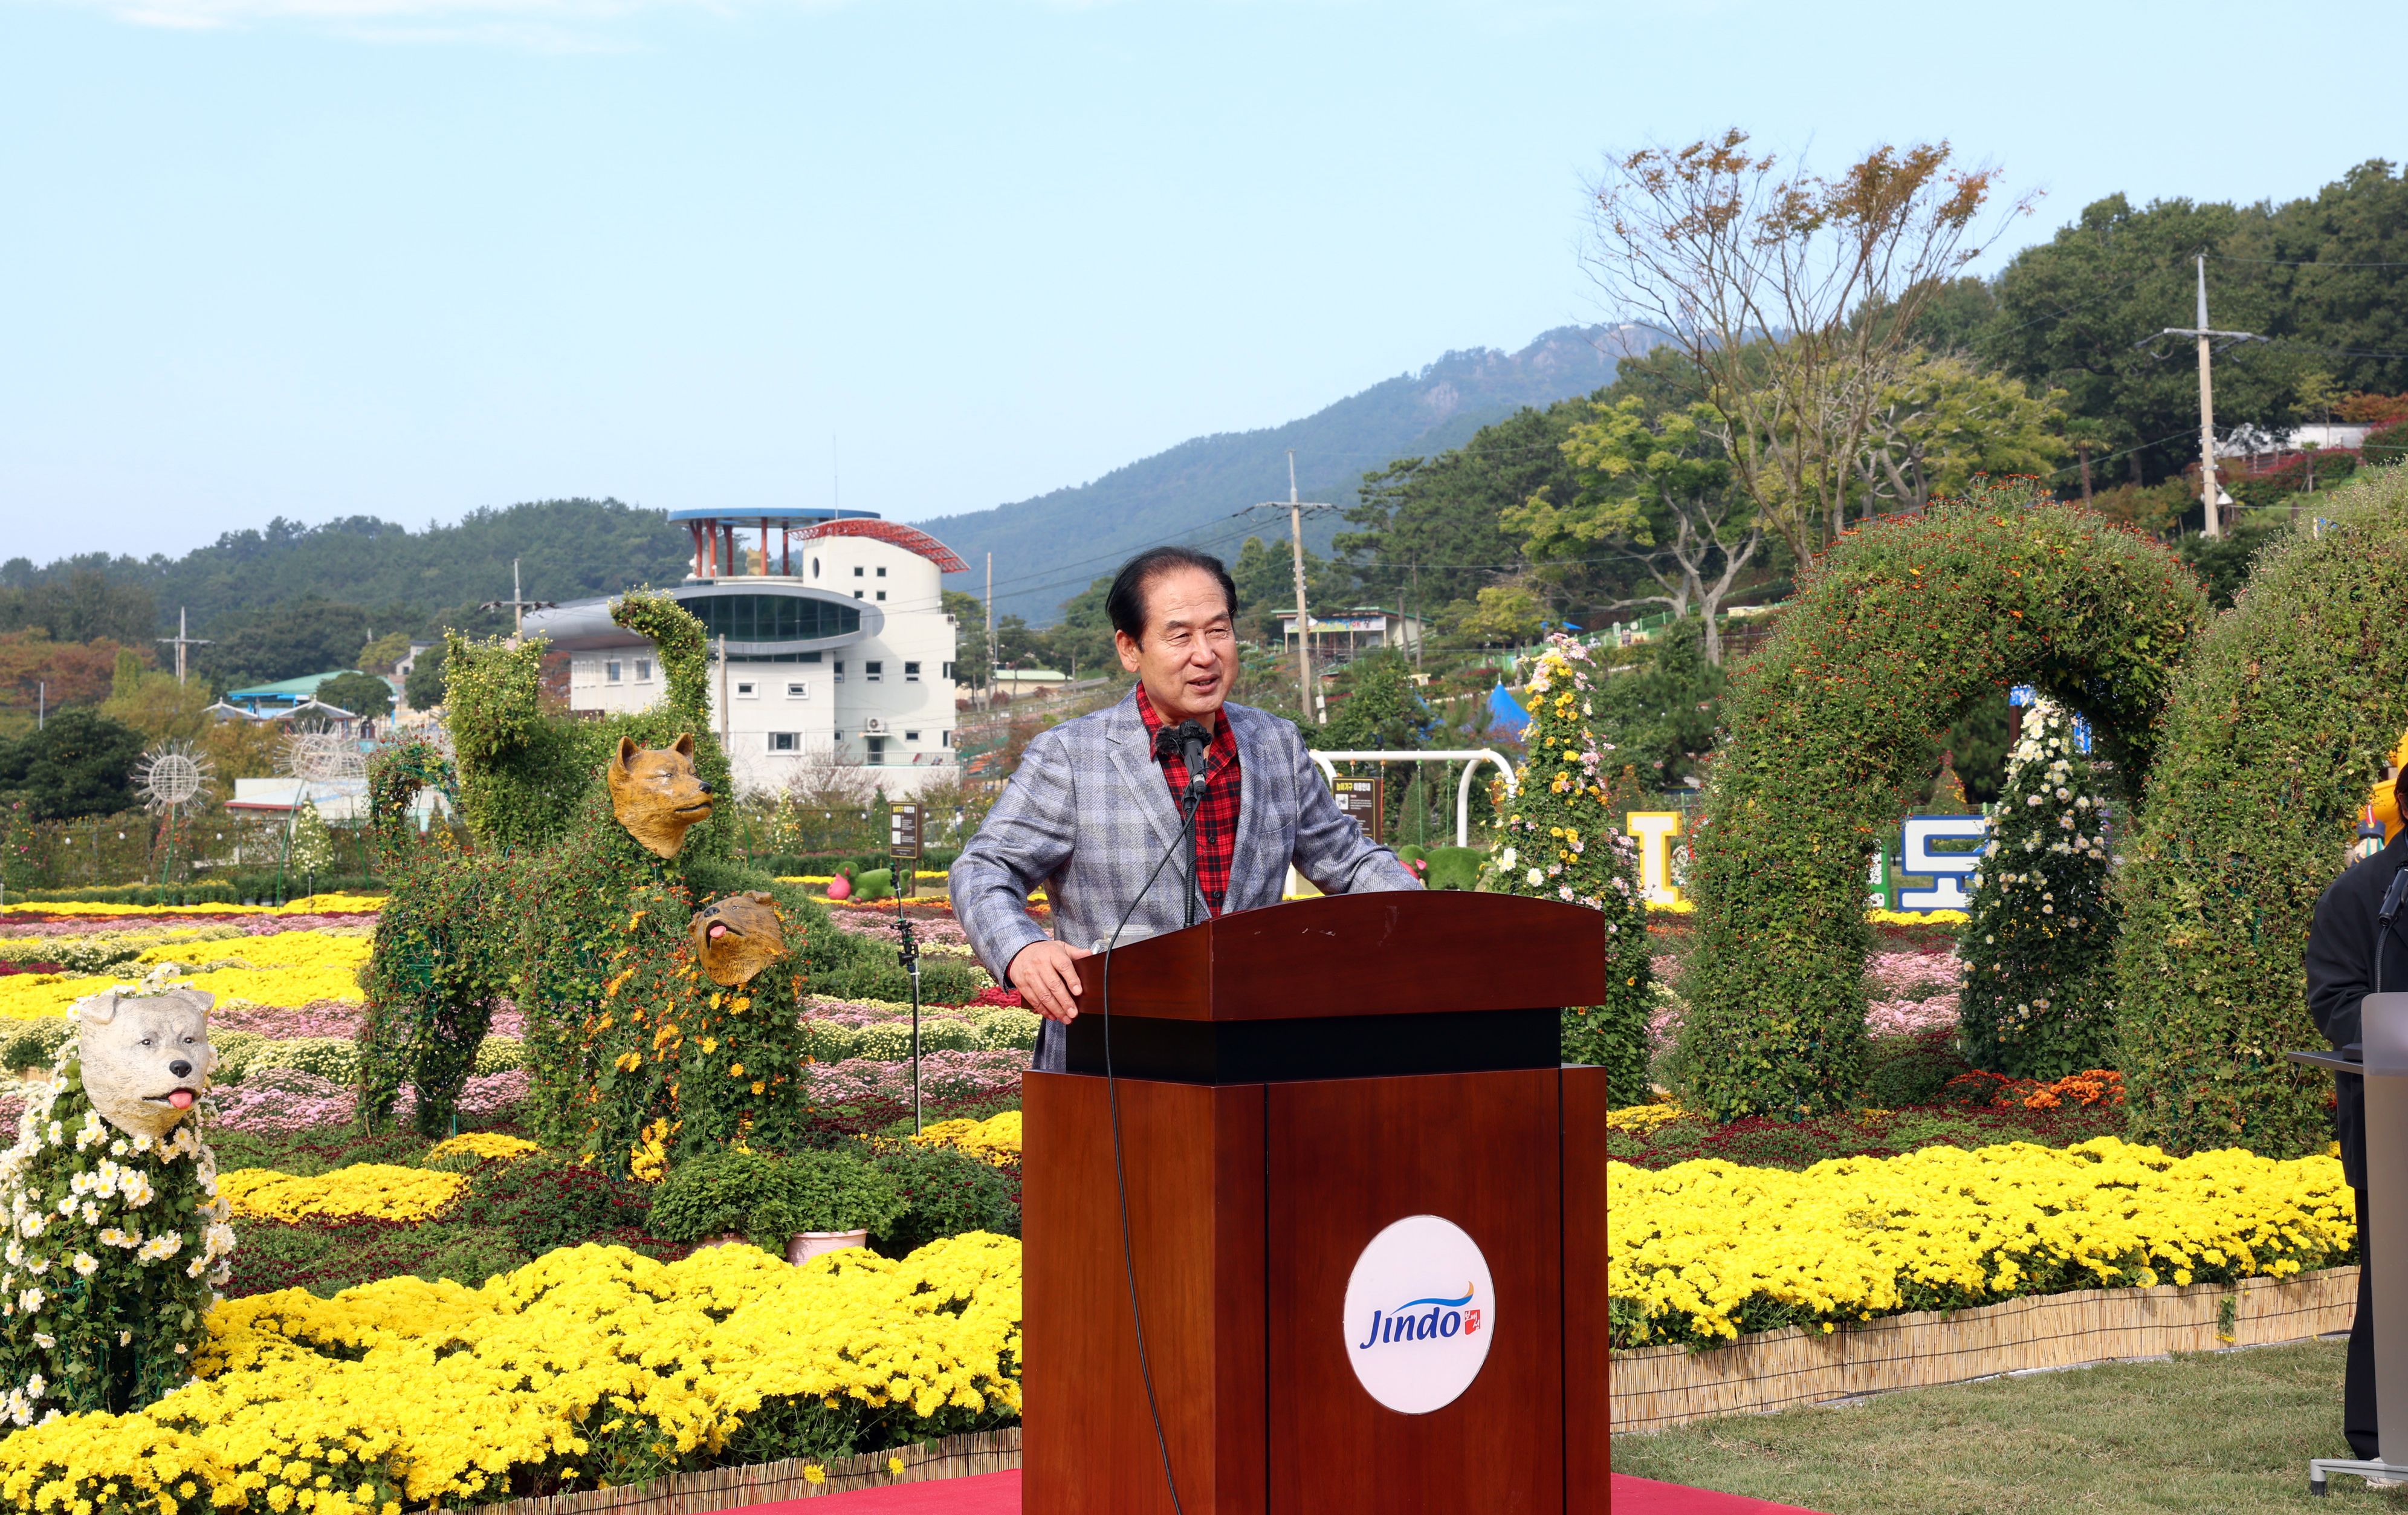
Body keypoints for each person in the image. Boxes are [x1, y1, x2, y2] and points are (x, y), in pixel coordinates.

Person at [950, 545, 1420, 1071]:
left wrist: (1429, 917)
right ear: (1131, 649)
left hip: (1254, 1055)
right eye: (1180, 635)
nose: (1205, 654)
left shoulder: (1274, 744)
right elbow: (984, 869)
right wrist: (1021, 951)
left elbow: (1348, 861)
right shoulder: (1070, 757)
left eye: (1218, 630)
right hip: (1110, 1057)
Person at [2307, 762, 2408, 1472]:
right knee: (2397, 1281)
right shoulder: (2362, 895)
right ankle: (2385, 1438)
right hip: (2395, 1117)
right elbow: (2336, 1002)